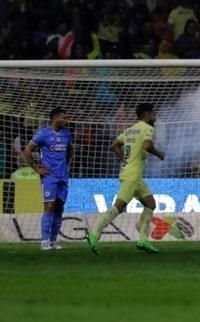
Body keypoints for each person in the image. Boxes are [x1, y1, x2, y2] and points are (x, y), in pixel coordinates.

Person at [87, 103, 165, 254]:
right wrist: (159, 154)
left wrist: (124, 159)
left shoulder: (130, 130)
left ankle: (143, 240)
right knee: (119, 206)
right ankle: (94, 233)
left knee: (150, 203)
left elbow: (115, 145)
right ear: (147, 114)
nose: (154, 117)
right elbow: (148, 146)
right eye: (153, 114)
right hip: (133, 176)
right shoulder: (148, 129)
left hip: (131, 174)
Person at [23, 108, 72, 251]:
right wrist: (37, 169)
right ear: (55, 118)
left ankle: (53, 241)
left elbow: (70, 150)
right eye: (64, 117)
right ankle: (44, 241)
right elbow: (27, 151)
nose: (66, 120)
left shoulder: (67, 134)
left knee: (59, 208)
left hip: (63, 176)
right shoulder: (43, 134)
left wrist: (67, 165)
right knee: (49, 207)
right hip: (49, 176)